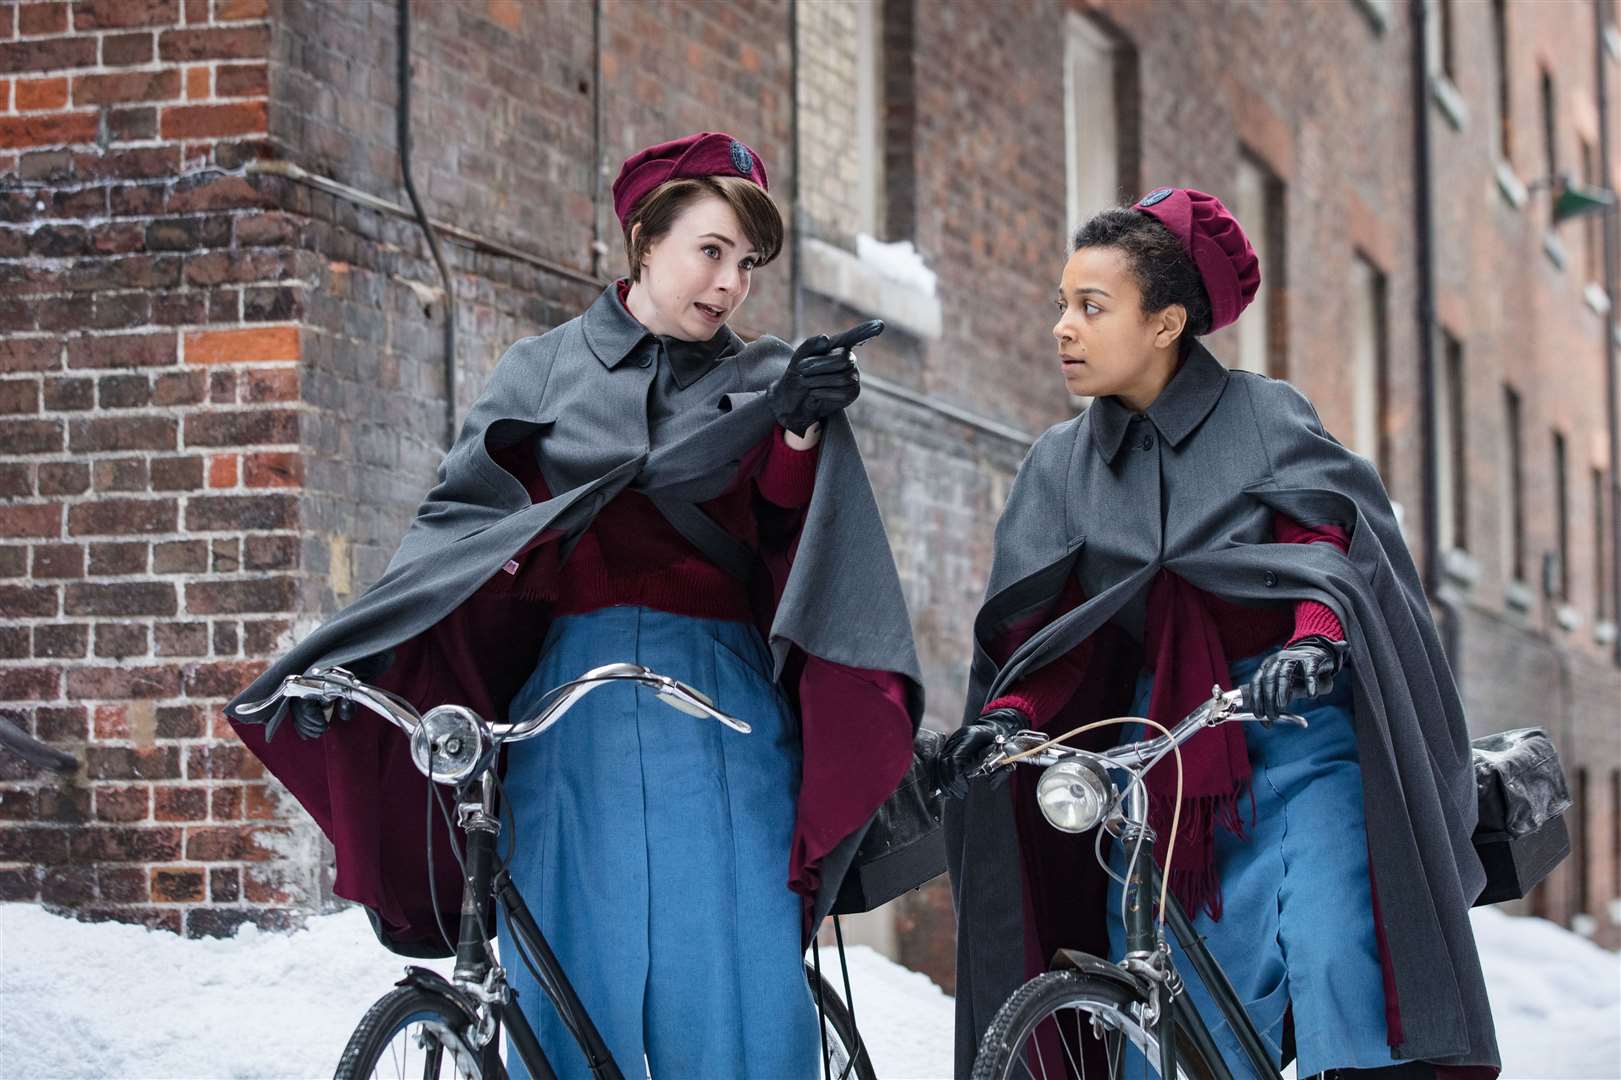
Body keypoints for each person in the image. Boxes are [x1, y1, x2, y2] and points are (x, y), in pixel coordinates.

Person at [227, 132, 922, 1080]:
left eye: (747, 265)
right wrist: (360, 656)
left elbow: (788, 530)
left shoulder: (768, 376)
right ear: (645, 243)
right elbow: (456, 532)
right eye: (709, 251)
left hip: (717, 699)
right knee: (562, 971)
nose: (728, 284)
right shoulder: (542, 370)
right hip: (568, 703)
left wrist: (794, 427)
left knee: (727, 978)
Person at [940, 188, 1499, 1079]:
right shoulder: (1058, 464)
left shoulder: (1264, 417)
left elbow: (1328, 551)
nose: (1062, 328)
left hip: (1292, 736)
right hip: (1155, 753)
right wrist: (1006, 714)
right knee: (1173, 1002)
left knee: (1328, 946)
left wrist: (1311, 644)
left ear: (1164, 324)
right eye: (1061, 305)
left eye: (1090, 307)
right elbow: (1048, 629)